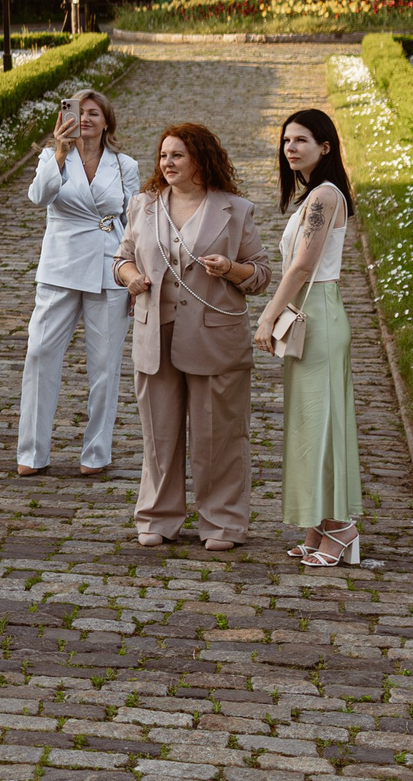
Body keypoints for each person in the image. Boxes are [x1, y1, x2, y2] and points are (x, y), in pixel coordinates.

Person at [113, 122, 272, 552]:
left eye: (178, 155)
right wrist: (131, 278)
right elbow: (121, 258)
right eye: (164, 156)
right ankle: (158, 518)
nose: (168, 163)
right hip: (154, 336)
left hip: (215, 340)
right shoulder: (143, 205)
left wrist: (230, 269)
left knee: (218, 435)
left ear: (201, 159)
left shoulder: (235, 210)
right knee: (159, 435)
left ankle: (223, 523)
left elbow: (260, 274)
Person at [15, 89, 139, 478]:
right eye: (77, 111)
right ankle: (33, 451)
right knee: (39, 354)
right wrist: (57, 152)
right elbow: (38, 197)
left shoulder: (124, 165)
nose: (84, 119)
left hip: (108, 266)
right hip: (60, 264)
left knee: (105, 365)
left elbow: (136, 221)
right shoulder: (53, 158)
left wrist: (134, 271)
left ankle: (97, 451)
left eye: (92, 113)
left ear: (106, 121)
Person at [258, 109, 362, 567]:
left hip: (317, 311)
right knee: (309, 422)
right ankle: (317, 526)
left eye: (301, 140)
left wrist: (267, 315)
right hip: (313, 311)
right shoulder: (314, 197)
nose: (291, 148)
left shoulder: (324, 196)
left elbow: (303, 265)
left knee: (321, 424)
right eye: (286, 141)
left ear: (325, 146)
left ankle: (340, 528)